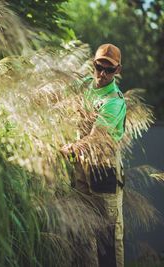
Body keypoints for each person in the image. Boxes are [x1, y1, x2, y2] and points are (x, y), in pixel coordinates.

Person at [60, 43, 127, 267]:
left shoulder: (114, 101)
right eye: (99, 67)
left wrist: (71, 148)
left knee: (106, 235)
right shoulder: (84, 87)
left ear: (117, 71)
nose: (102, 74)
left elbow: (96, 138)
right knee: (82, 231)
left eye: (109, 70)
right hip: (80, 165)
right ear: (93, 63)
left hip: (104, 168)